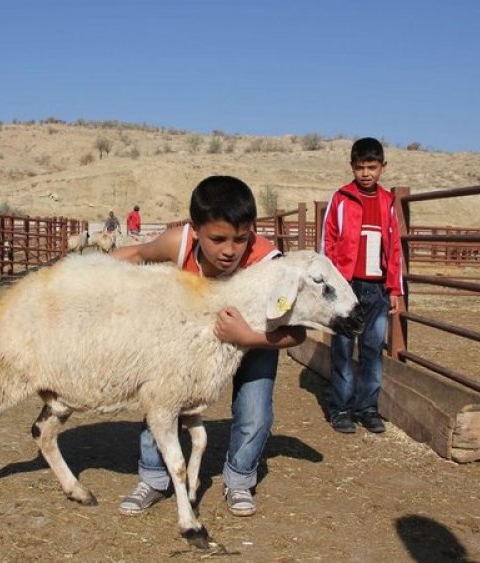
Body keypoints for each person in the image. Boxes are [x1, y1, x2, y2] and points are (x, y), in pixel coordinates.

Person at [110, 175, 305, 517]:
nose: (230, 250)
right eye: (218, 239)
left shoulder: (268, 264)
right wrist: (82, 275)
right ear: (196, 229)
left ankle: (240, 479)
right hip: (190, 339)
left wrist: (248, 337)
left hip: (253, 340)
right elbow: (138, 254)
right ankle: (154, 477)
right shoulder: (179, 242)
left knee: (255, 410)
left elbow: (298, 332)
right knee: (162, 398)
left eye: (241, 239)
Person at [321, 137, 403, 434]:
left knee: (372, 349)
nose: (366, 173)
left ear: (383, 167)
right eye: (360, 168)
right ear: (352, 167)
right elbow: (327, 242)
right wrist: (328, 285)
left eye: (372, 167)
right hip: (346, 287)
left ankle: (367, 407)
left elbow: (394, 247)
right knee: (342, 347)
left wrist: (395, 288)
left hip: (377, 288)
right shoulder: (341, 199)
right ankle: (340, 408)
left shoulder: (387, 202)